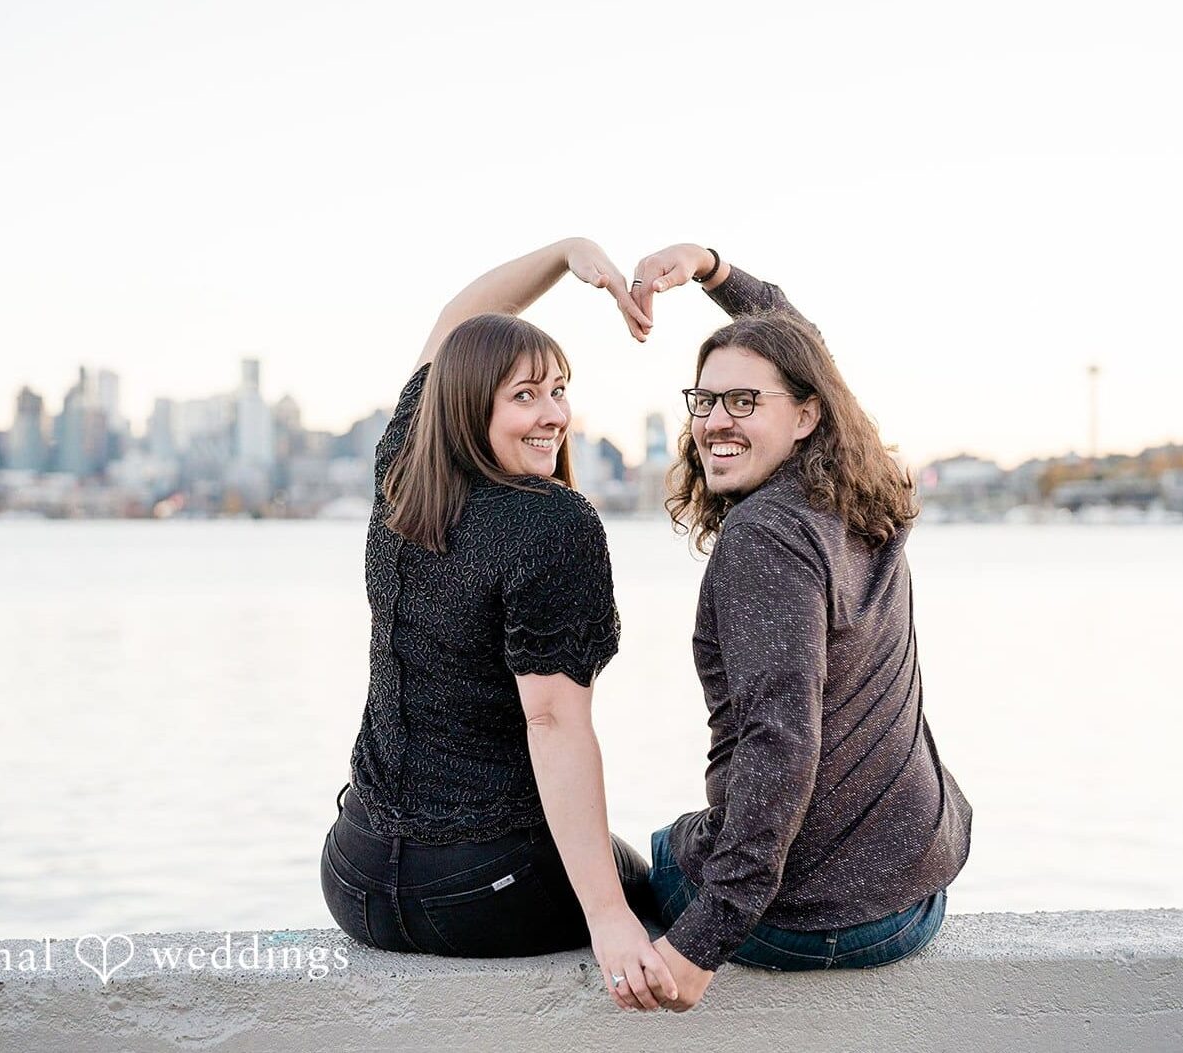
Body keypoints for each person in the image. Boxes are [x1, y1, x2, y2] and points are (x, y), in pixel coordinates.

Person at [319, 237, 678, 1011]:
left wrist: (568, 255)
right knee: (667, 879)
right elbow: (551, 721)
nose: (555, 415)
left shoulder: (399, 471)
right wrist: (611, 916)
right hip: (479, 892)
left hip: (353, 879)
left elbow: (462, 316)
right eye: (525, 396)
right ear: (470, 403)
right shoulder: (551, 525)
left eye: (559, 390)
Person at [624, 244, 973, 1011]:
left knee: (649, 859)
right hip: (916, 887)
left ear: (808, 413)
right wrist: (715, 271)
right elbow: (802, 346)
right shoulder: (861, 505)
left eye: (743, 402)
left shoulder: (766, 536)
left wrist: (699, 944)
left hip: (818, 919)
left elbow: (781, 742)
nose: (715, 421)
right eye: (705, 400)